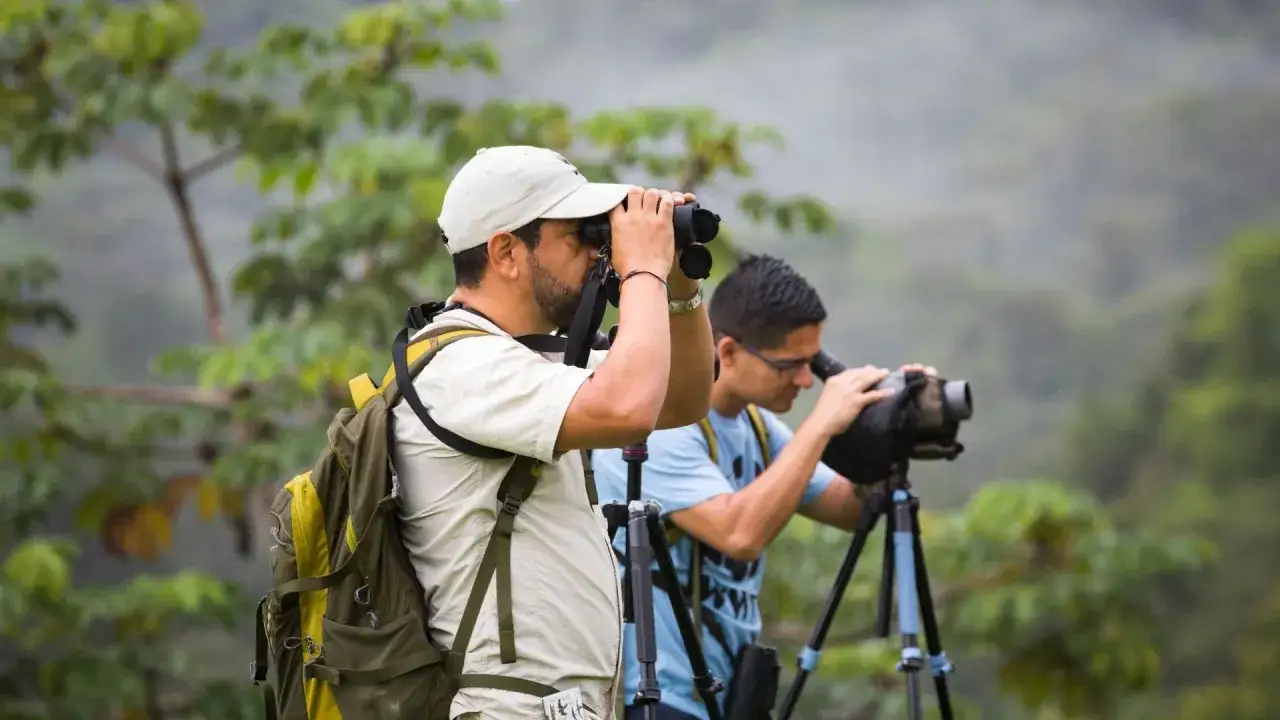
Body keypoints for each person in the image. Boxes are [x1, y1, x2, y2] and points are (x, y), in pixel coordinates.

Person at [392, 145, 716, 720]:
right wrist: (641, 266)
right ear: (506, 252)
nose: (599, 251)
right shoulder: (460, 368)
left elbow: (684, 398)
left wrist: (678, 284)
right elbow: (630, 407)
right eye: (580, 234)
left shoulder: (529, 362)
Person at [591, 254, 935, 719]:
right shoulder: (657, 425)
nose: (806, 379)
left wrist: (888, 428)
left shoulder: (757, 426)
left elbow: (851, 509)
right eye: (789, 365)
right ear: (727, 352)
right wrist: (820, 427)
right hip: (656, 697)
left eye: (813, 362)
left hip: (728, 697)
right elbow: (740, 534)